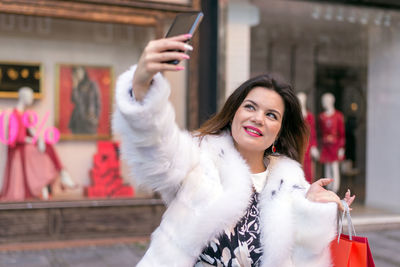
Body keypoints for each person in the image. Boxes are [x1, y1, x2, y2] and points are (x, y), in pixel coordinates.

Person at [112, 34, 355, 267]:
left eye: (271, 115)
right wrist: (142, 85)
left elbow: (306, 259)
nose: (258, 118)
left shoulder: (291, 184)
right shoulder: (198, 158)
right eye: (250, 107)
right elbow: (156, 146)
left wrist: (312, 208)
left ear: (279, 131)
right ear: (234, 113)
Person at [0, 87, 76, 201]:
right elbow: (15, 138)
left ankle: (62, 173)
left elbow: (32, 131)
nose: (31, 99)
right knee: (43, 153)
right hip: (20, 149)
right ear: (23, 97)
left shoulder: (24, 115)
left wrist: (39, 139)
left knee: (47, 144)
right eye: (30, 96)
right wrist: (32, 140)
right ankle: (61, 174)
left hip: (27, 145)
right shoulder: (14, 115)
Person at [318, 93, 346, 193]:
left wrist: (341, 148)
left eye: (325, 101)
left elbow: (342, 133)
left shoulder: (338, 116)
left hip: (335, 146)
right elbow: (320, 132)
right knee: (327, 167)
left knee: (334, 167)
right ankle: (328, 188)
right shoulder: (322, 117)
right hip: (326, 146)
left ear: (331, 101)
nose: (323, 103)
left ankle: (335, 189)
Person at [68, 66, 101, 134]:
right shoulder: (77, 86)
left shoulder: (92, 84)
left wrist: (96, 117)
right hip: (77, 121)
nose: (78, 74)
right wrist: (75, 85)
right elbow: (74, 100)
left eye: (79, 71)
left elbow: (98, 103)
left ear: (84, 72)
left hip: (89, 120)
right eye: (75, 72)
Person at [297, 92, 319, 184]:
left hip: (308, 145)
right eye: (299, 99)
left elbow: (313, 132)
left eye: (302, 99)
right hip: (296, 144)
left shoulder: (310, 116)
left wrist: (314, 146)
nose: (301, 101)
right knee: (297, 165)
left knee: (308, 167)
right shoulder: (294, 116)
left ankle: (308, 186)